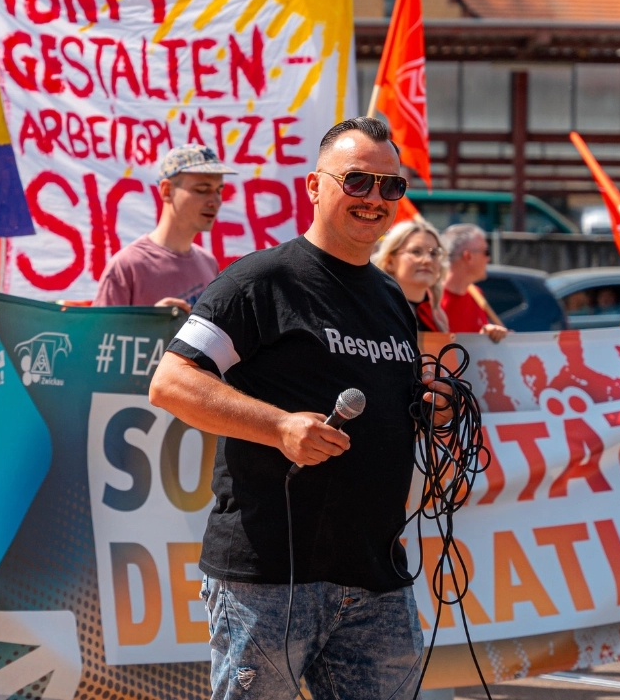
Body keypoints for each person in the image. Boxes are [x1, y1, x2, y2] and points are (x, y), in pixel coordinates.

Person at [149, 117, 453, 700]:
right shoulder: (261, 280)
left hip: (376, 574)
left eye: (392, 187)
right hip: (270, 578)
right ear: (314, 186)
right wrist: (280, 426)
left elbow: (388, 410)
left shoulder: (391, 298)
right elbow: (171, 382)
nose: (375, 199)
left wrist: (432, 412)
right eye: (358, 181)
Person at [93, 145, 235, 310]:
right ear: (167, 191)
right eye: (202, 190)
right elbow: (98, 334)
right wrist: (153, 322)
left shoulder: (208, 263)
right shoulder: (127, 266)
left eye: (219, 191)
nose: (215, 201)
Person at [373, 218, 449, 334]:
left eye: (434, 253)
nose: (427, 260)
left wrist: (483, 339)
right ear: (390, 262)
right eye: (416, 252)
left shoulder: (437, 317)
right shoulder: (376, 311)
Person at [437, 224, 510, 342]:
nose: (488, 259)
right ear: (468, 256)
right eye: (486, 252)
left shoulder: (477, 294)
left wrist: (495, 337)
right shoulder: (432, 299)